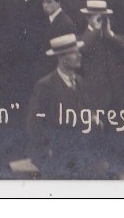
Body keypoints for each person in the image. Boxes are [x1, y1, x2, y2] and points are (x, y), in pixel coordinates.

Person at [26, 33, 99, 179]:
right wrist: (47, 154)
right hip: (58, 160)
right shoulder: (45, 86)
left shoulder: (80, 82)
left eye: (78, 52)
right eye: (73, 53)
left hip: (83, 157)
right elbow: (34, 124)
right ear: (60, 57)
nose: (79, 56)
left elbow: (89, 112)